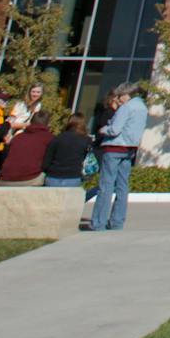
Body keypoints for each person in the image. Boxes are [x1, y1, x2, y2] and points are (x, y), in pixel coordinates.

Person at [90, 81, 146, 231]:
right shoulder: (142, 108)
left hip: (114, 147)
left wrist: (103, 129)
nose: (118, 100)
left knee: (106, 186)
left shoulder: (126, 108)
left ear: (127, 94)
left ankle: (98, 223)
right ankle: (117, 221)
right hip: (129, 150)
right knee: (122, 186)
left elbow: (115, 130)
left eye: (120, 96)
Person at [43, 116, 93, 188]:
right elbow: (89, 161)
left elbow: (46, 162)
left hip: (53, 176)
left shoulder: (58, 138)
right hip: (73, 176)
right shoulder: (86, 141)